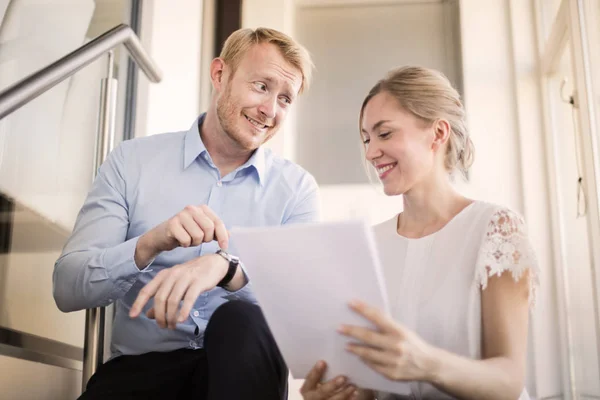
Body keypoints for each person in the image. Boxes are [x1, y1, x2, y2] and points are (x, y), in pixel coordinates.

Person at [53, 27, 321, 400]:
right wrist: (146, 246)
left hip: (237, 376)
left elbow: (300, 312)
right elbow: (67, 288)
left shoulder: (297, 191)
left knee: (240, 320)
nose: (270, 110)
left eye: (285, 99)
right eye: (262, 86)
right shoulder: (132, 162)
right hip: (140, 373)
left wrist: (228, 270)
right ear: (219, 75)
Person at [301, 66, 540, 400]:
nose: (370, 153)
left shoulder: (495, 228)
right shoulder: (368, 245)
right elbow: (372, 387)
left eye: (384, 134)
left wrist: (426, 363)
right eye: (366, 139)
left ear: (438, 133)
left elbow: (509, 381)